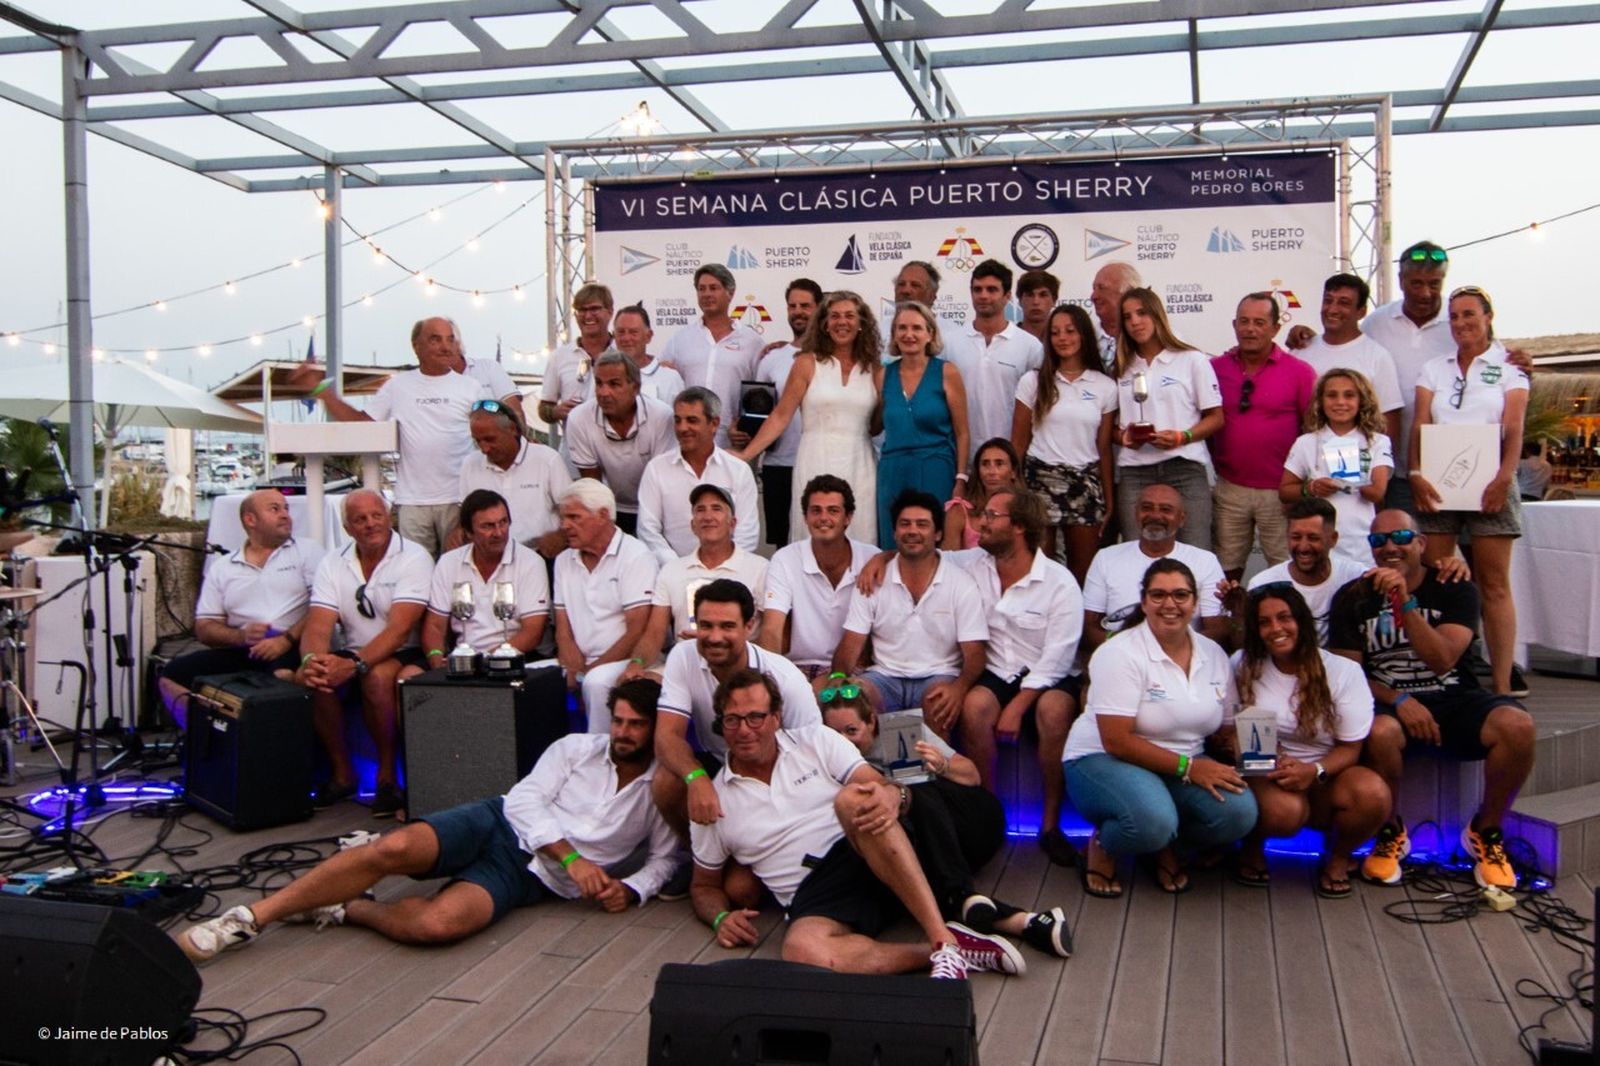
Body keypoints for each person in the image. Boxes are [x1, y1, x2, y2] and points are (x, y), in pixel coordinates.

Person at [176, 679, 677, 963]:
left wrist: (631, 890)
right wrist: (573, 858)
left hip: (528, 879)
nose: (623, 732)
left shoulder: (662, 786)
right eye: (618, 720)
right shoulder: (575, 748)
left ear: (658, 729)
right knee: (391, 849)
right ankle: (249, 919)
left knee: (438, 926)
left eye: (637, 724)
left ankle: (348, 909)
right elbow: (524, 801)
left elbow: (664, 859)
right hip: (498, 823)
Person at [689, 669, 1023, 979]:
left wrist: (894, 792)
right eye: (733, 720)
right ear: (721, 725)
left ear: (776, 719)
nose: (745, 730)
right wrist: (720, 918)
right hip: (812, 894)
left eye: (756, 717)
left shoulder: (816, 739)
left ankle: (941, 938)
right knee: (800, 948)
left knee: (852, 799)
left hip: (865, 852)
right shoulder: (712, 800)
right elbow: (703, 886)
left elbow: (875, 784)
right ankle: (953, 952)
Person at [1327, 510, 1535, 889]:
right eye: (1378, 540)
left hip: (1456, 696)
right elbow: (1348, 676)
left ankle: (1485, 832)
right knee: (1378, 730)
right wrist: (1399, 697)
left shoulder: (1453, 586)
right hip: (1393, 703)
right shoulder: (1352, 598)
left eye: (1402, 536)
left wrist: (1404, 603)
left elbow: (1442, 659)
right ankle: (1391, 831)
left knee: (1518, 726)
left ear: (1422, 543)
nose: (1390, 546)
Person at [823, 683, 1072, 958]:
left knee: (912, 788)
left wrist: (942, 765)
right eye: (835, 733)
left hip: (973, 820)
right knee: (908, 846)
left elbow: (972, 776)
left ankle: (961, 895)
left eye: (851, 731)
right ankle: (1023, 921)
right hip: (939, 849)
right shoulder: (830, 756)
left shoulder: (897, 730)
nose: (843, 740)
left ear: (871, 721)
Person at [1064, 558, 1257, 897]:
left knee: (1240, 814)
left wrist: (1260, 754)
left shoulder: (1212, 653)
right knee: (1152, 822)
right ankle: (1106, 844)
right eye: (1158, 595)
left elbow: (1225, 728)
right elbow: (1116, 740)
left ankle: (1166, 844)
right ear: (1143, 602)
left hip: (1182, 764)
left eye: (1181, 595)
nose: (1170, 604)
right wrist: (1190, 768)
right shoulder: (1120, 652)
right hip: (1106, 759)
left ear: (1195, 602)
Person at [949, 488, 1084, 868]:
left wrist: (1020, 704)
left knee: (1055, 711)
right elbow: (927, 554)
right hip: (996, 670)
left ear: (1020, 527)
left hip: (1048, 675)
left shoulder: (1059, 582)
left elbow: (1059, 656)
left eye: (992, 516)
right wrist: (885, 557)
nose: (981, 524)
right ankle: (990, 815)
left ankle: (1050, 825)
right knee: (974, 707)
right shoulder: (971, 564)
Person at [1227, 585, 1387, 898]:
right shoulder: (1243, 664)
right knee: (1284, 812)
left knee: (1373, 795)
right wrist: (1273, 763)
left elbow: (1351, 748)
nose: (1276, 628)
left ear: (1302, 621)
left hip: (1327, 771)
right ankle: (1252, 845)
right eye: (1264, 622)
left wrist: (1311, 771)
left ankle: (1338, 857)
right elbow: (1235, 733)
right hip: (1266, 768)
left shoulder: (1343, 672)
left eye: (1284, 618)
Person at [1409, 286, 1529, 697]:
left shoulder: (1510, 367)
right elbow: (1420, 424)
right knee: (1441, 579)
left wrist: (1503, 479)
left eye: (1469, 315)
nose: (1461, 323)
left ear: (1488, 315)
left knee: (1493, 584)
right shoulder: (1434, 368)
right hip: (1440, 482)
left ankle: (1500, 685)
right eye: (1455, 316)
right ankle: (1450, 676)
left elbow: (1514, 429)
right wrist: (1415, 472)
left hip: (1492, 481)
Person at [295, 491, 434, 817]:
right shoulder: (333, 561)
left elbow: (399, 630)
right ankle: (343, 774)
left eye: (377, 515)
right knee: (318, 676)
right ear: (347, 527)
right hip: (354, 650)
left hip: (406, 650)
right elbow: (317, 626)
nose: (371, 524)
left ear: (389, 517)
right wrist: (311, 661)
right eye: (361, 519)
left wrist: (354, 664)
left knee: (377, 676)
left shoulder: (414, 557)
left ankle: (387, 777)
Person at [651, 580, 822, 842]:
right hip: (719, 767)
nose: (715, 637)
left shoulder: (786, 679)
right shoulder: (682, 656)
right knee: (666, 781)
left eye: (727, 626)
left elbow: (810, 756)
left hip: (777, 777)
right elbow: (666, 738)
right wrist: (696, 778)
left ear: (749, 626)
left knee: (739, 885)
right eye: (706, 625)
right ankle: (696, 853)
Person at [312, 317, 492, 556]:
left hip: (458, 499)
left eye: (450, 339)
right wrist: (323, 394)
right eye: (435, 339)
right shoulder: (398, 386)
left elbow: (489, 434)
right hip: (412, 502)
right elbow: (363, 424)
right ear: (416, 346)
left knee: (458, 571)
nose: (445, 346)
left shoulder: (471, 387)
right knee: (414, 570)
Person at [589, 483, 767, 708]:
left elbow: (768, 630)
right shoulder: (673, 570)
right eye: (700, 510)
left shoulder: (760, 568)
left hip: (737, 664)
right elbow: (654, 632)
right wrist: (636, 663)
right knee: (603, 682)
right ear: (692, 525)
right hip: (684, 663)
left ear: (732, 524)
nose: (708, 516)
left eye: (716, 509)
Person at [160, 489, 323, 729]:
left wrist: (285, 640)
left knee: (281, 679)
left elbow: (324, 606)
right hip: (245, 648)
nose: (285, 515)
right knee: (171, 675)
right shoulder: (224, 567)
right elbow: (204, 628)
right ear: (250, 520)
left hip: (296, 643)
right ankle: (207, 741)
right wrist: (241, 636)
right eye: (275, 509)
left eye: (286, 508)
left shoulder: (307, 552)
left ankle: (278, 749)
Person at [733, 290, 884, 546]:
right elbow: (781, 416)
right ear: (824, 323)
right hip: (815, 458)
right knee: (813, 538)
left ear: (862, 323)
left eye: (849, 315)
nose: (842, 322)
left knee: (861, 537)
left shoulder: (876, 370)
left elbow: (876, 426)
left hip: (861, 464)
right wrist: (746, 455)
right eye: (834, 316)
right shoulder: (806, 363)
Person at [832, 490, 988, 723]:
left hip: (938, 675)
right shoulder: (872, 579)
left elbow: (975, 654)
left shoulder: (961, 583)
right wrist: (837, 677)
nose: (912, 531)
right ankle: (866, 762)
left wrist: (960, 688)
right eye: (905, 524)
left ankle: (937, 761)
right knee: (852, 702)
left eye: (922, 524)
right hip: (883, 677)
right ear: (894, 532)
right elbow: (851, 643)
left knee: (939, 703)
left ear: (937, 534)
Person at [1208, 292, 1316, 578]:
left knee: (1285, 568)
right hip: (1230, 487)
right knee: (1225, 569)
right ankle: (1230, 622)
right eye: (1243, 321)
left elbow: (1313, 430)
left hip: (1281, 490)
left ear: (1275, 328)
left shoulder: (1300, 372)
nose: (1250, 329)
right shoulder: (1214, 368)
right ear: (1234, 325)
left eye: (1259, 322)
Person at [1011, 302, 1116, 583]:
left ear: (1083, 335)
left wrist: (1109, 501)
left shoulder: (1105, 386)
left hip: (1085, 485)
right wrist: (1017, 491)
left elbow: (1104, 448)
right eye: (1056, 332)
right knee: (1039, 575)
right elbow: (1018, 444)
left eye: (1070, 331)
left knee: (1083, 577)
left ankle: (1081, 628)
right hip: (1039, 482)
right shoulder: (1032, 382)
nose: (1063, 338)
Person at [1113, 288, 1224, 549]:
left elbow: (1216, 417)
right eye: (1128, 317)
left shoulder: (1192, 359)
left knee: (1195, 549)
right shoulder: (1121, 367)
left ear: (1157, 315)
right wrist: (1124, 437)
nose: (1135, 322)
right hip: (1134, 471)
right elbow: (1111, 427)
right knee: (1136, 552)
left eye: (1141, 313)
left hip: (1184, 467)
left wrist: (1182, 436)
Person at [551, 480, 660, 723]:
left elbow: (637, 630)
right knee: (528, 680)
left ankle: (600, 753)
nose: (564, 526)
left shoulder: (635, 556)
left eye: (574, 517)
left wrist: (588, 671)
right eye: (563, 518)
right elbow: (563, 626)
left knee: (596, 682)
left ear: (603, 515)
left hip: (623, 661)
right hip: (578, 661)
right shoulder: (563, 561)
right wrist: (573, 666)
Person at [1082, 483, 1229, 652]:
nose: (1155, 515)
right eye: (1147, 508)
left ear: (1181, 519)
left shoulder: (1205, 561)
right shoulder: (1106, 558)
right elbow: (1089, 628)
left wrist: (1170, 649)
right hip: (1123, 659)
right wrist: (1126, 648)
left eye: (1166, 509)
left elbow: (1217, 630)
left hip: (1184, 660)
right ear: (1136, 513)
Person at [759, 475, 880, 679]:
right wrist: (770, 679)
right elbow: (772, 628)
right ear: (805, 517)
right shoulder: (785, 559)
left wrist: (885, 557)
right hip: (797, 667)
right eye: (816, 510)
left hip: (855, 670)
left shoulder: (872, 558)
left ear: (848, 517)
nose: (823, 518)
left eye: (833, 511)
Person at [420, 490, 550, 669]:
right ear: (468, 533)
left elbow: (533, 631)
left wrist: (484, 661)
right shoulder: (449, 562)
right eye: (488, 526)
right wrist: (436, 658)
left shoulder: (531, 562)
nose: (498, 533)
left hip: (517, 659)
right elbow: (435, 625)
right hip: (463, 662)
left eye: (503, 523)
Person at [878, 301, 970, 548]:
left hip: (936, 468)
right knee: (893, 544)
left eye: (917, 328)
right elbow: (873, 425)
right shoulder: (882, 375)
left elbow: (962, 432)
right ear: (894, 335)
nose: (909, 335)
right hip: (893, 471)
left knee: (932, 542)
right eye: (902, 328)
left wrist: (961, 478)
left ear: (930, 333)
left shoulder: (946, 372)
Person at [1280, 369, 1393, 569]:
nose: (1340, 402)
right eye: (1332, 395)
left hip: (1359, 542)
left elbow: (1377, 493)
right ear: (1321, 401)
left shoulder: (1377, 442)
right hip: (1317, 541)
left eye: (1349, 395)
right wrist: (1312, 488)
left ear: (1362, 401)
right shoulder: (1306, 442)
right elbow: (1285, 491)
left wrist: (1351, 479)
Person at [639, 388, 760, 563]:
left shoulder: (738, 470)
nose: (682, 428)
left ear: (714, 424)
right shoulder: (657, 468)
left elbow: (747, 533)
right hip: (672, 572)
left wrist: (723, 567)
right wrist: (678, 568)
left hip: (728, 576)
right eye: (678, 420)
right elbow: (647, 529)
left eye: (692, 420)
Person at [564, 352, 677, 537]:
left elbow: (661, 481)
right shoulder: (578, 419)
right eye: (599, 383)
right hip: (609, 507)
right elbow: (593, 488)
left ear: (636, 388)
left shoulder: (662, 416)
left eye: (614, 384)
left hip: (657, 506)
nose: (603, 392)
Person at [744, 279, 821, 545]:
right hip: (779, 465)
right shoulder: (771, 358)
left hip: (819, 462)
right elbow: (759, 413)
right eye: (792, 306)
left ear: (819, 308)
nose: (798, 311)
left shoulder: (834, 357)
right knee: (784, 545)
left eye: (805, 305)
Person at [943, 259, 1043, 459]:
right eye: (977, 289)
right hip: (961, 459)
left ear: (1007, 296)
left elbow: (1038, 409)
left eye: (991, 289)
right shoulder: (949, 344)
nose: (983, 296)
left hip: (1011, 460)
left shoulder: (1030, 346)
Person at [660, 263, 764, 448]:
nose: (706, 294)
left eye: (714, 288)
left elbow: (759, 394)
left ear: (730, 293)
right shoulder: (680, 339)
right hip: (688, 442)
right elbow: (665, 384)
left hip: (732, 444)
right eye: (701, 289)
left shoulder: (752, 341)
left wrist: (743, 425)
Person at [1293, 273, 1403, 445]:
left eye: (1343, 303)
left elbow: (1390, 422)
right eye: (1328, 300)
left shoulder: (1377, 356)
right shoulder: (1300, 351)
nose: (1332, 309)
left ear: (1361, 311)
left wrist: (1382, 469)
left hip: (1359, 467)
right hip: (1308, 465)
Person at [455, 400, 569, 558]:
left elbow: (571, 511)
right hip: (488, 557)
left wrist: (560, 536)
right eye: (477, 441)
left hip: (540, 555)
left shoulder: (547, 460)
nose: (484, 448)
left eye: (490, 439)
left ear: (513, 430)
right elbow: (464, 518)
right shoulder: (470, 464)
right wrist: (457, 533)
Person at [1247, 498, 1368, 645]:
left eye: (1313, 538)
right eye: (1296, 537)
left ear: (1333, 539)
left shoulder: (1356, 576)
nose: (1303, 547)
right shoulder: (1262, 584)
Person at [539, 283, 614, 453]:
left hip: (619, 456)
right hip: (574, 456)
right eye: (581, 310)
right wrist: (557, 411)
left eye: (594, 309)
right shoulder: (560, 357)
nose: (587, 315)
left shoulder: (623, 353)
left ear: (610, 312)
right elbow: (544, 408)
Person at [943, 438, 1022, 550]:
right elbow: (949, 561)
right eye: (985, 464)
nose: (991, 472)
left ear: (1013, 472)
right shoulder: (958, 512)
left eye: (999, 464)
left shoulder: (1025, 512)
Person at [444, 317, 524, 420]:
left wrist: (517, 434)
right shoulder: (431, 381)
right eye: (435, 342)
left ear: (458, 342)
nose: (442, 347)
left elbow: (515, 411)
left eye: (449, 340)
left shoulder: (488, 367)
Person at [611, 304, 685, 404]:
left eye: (633, 332)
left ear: (648, 336)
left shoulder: (670, 378)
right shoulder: (604, 376)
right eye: (621, 332)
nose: (626, 338)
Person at [1088, 261, 1141, 374]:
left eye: (1102, 288)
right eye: (1094, 288)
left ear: (1128, 292)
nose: (1093, 297)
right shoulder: (1083, 340)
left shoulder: (1158, 341)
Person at [1015, 269, 1061, 346]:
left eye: (1043, 295)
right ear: (1020, 300)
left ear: (1054, 300)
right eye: (1030, 295)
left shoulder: (1062, 341)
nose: (1036, 302)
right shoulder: (1007, 340)